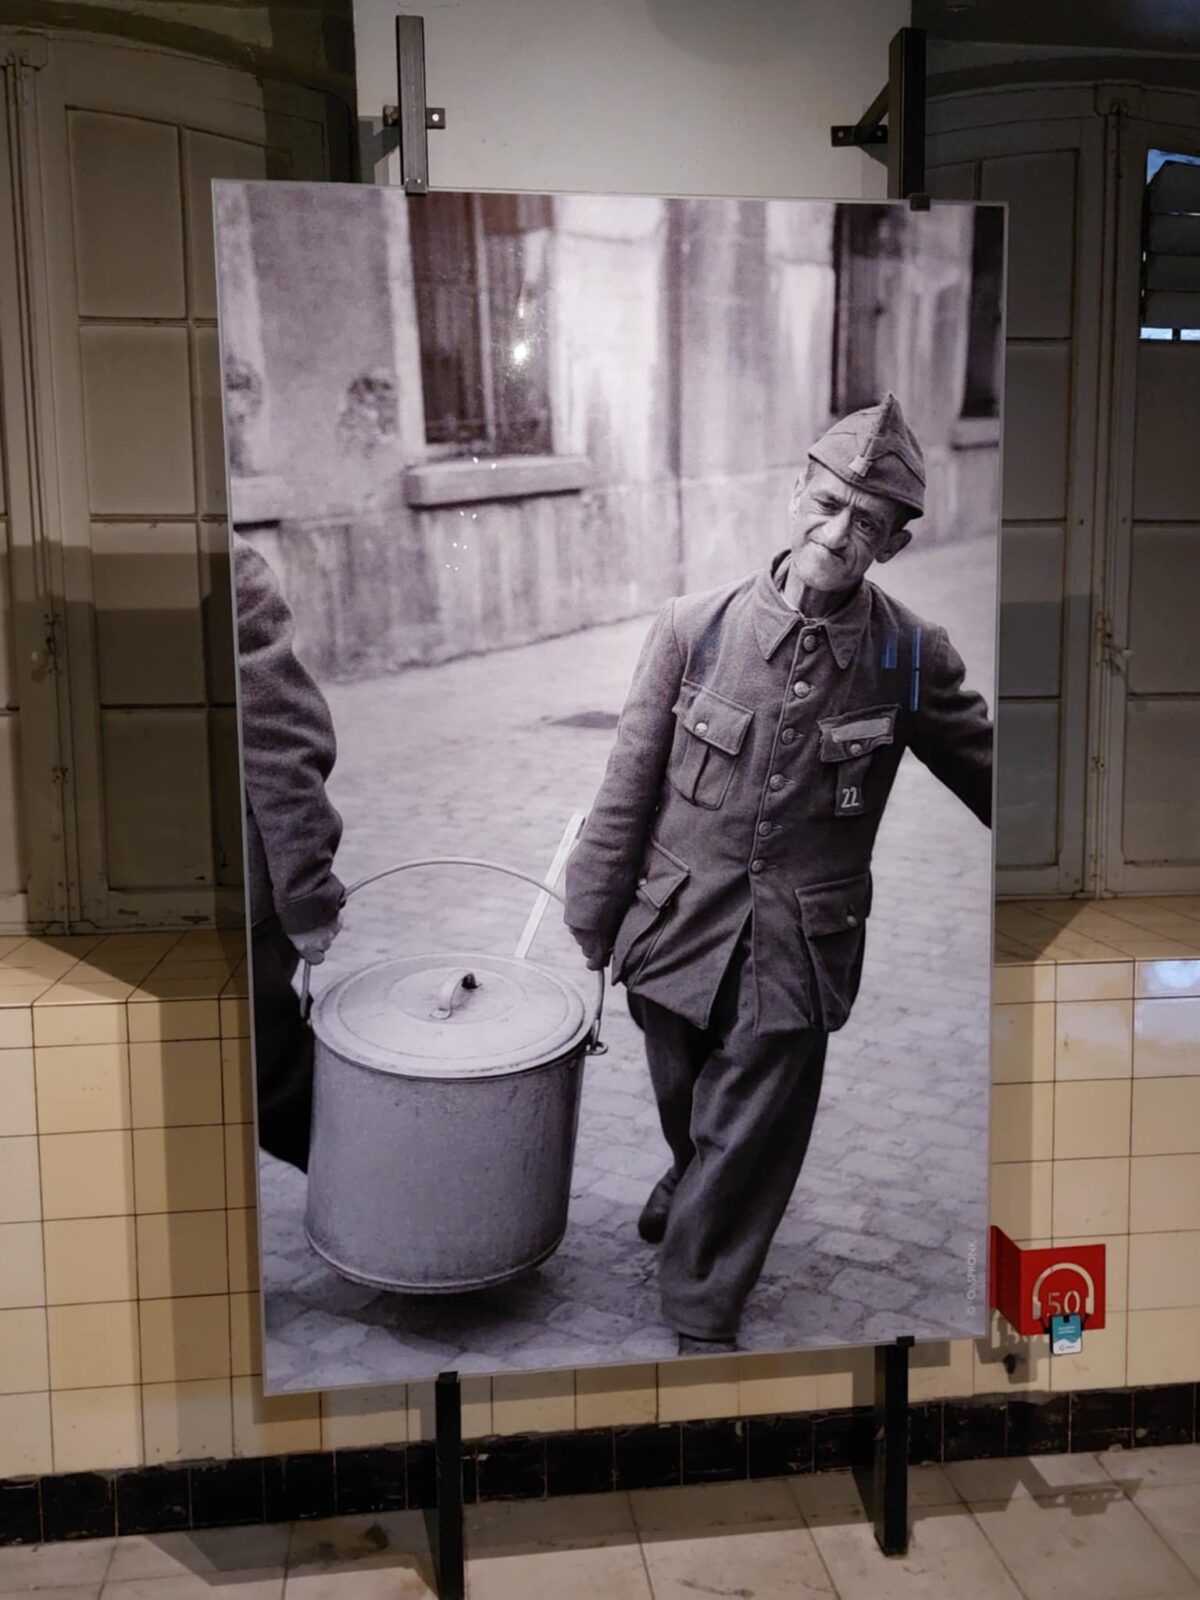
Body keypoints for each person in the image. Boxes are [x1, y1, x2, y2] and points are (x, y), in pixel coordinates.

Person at [563, 393, 993, 1354]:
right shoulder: (692, 630)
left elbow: (993, 771)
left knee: (751, 1126)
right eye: (829, 505)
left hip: (798, 946)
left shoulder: (908, 655)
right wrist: (591, 919)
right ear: (797, 492)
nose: (837, 534)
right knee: (687, 1097)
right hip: (675, 927)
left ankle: (700, 1306)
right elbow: (626, 786)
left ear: (892, 545)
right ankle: (688, 1171)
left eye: (867, 524)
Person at [235, 534, 345, 1172]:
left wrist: (305, 896)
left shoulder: (212, 563)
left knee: (274, 1088)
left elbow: (277, 741)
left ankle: (405, 1209)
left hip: (205, 917)